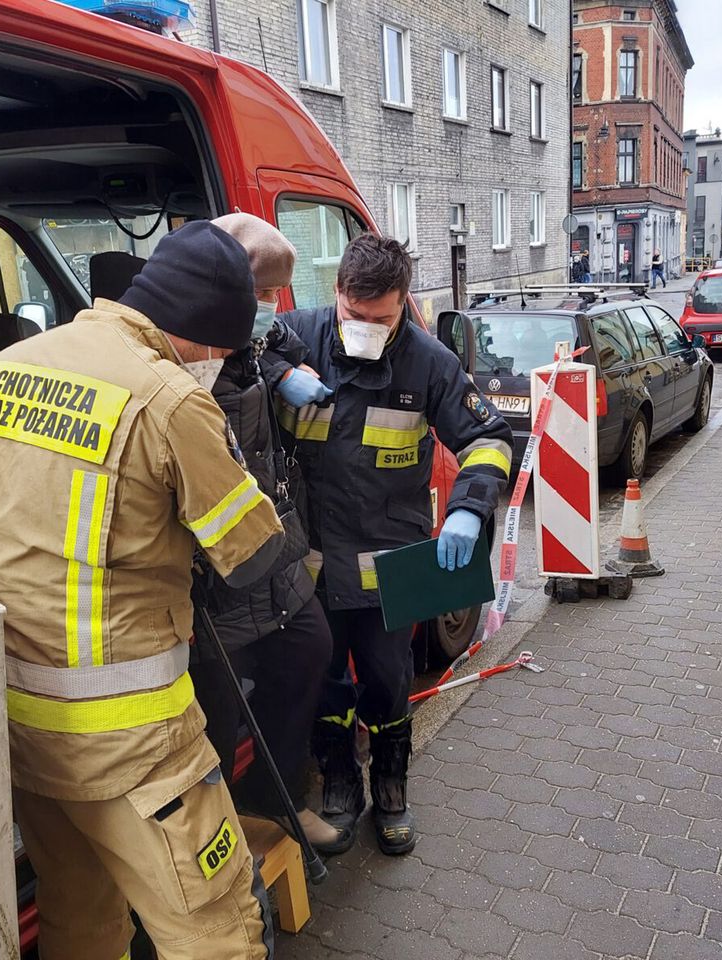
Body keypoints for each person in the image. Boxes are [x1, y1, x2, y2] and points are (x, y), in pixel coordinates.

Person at [0, 221, 284, 960]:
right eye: (224, 349)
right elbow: (254, 557)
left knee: (80, 924)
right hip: (136, 747)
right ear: (200, 330)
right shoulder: (171, 400)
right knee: (218, 933)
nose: (223, 364)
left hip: (23, 729)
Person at [274, 234, 513, 856]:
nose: (364, 328)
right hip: (315, 562)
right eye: (353, 316)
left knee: (387, 679)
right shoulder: (297, 334)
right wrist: (278, 371)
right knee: (323, 683)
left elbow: (488, 438)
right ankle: (339, 787)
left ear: (405, 303)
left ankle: (391, 788)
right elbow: (237, 359)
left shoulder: (428, 363)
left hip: (389, 564)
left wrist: (467, 509)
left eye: (380, 318)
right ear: (337, 295)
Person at [191, 212, 346, 853]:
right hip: (214, 580)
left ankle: (278, 801)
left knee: (309, 649)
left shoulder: (256, 341)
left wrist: (281, 369)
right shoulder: (186, 355)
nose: (266, 309)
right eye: (256, 295)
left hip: (271, 559)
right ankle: (216, 847)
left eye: (272, 297)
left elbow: (282, 338)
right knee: (214, 719)